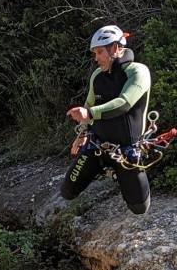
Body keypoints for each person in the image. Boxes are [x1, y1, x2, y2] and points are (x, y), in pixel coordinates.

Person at [59, 24, 151, 215]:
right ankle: (103, 166)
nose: (96, 58)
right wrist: (82, 132)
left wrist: (91, 113)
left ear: (115, 48)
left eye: (100, 52)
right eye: (95, 53)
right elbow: (87, 106)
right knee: (67, 191)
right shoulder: (97, 77)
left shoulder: (137, 72)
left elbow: (124, 103)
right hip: (98, 146)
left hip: (127, 150)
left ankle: (118, 170)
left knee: (139, 207)